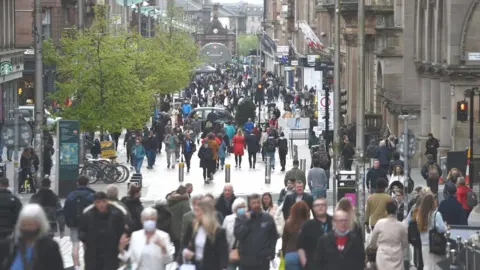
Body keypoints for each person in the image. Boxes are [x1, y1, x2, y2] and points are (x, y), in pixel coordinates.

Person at [0, 204, 64, 269]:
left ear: (40, 225)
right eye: (24, 224)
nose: (27, 228)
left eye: (31, 224)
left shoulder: (50, 247)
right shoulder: (7, 245)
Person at [80, 192, 127, 270]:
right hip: (93, 253)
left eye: (104, 202)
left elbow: (122, 231)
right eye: (98, 202)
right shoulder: (88, 214)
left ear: (107, 201)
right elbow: (82, 230)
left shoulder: (116, 213)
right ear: (94, 203)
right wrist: (86, 239)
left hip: (110, 253)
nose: (101, 205)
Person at [182, 199, 229, 270]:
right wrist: (186, 251)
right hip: (195, 266)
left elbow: (223, 254)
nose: (195, 213)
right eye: (195, 210)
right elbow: (184, 243)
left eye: (197, 211)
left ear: (205, 213)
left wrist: (223, 268)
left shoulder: (219, 232)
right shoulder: (193, 227)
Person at [235, 193, 278, 270]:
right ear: (249, 205)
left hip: (263, 261)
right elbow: (238, 235)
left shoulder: (267, 218)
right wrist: (246, 221)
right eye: (253, 203)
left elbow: (274, 237)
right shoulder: (242, 218)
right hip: (246, 262)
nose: (256, 205)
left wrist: (271, 253)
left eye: (258, 202)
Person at [407, 192, 447, 269]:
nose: (436, 203)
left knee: (427, 264)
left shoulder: (419, 215)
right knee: (436, 265)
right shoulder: (436, 214)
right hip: (435, 244)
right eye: (435, 201)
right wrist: (446, 227)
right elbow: (441, 229)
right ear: (432, 203)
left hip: (424, 244)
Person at [63, 175, 95, 269]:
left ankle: (76, 266)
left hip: (74, 224)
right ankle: (87, 265)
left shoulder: (71, 195)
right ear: (88, 183)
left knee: (75, 245)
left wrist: (68, 222)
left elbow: (66, 210)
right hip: (88, 225)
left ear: (77, 183)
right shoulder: (92, 195)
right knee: (87, 245)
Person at [369, 200, 408, 270]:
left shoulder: (380, 223)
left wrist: (376, 246)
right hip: (397, 253)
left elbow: (373, 240)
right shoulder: (401, 226)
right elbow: (405, 243)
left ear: (386, 211)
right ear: (396, 211)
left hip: (382, 252)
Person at [297, 198, 333, 270]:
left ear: (326, 207)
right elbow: (300, 247)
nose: (320, 207)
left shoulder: (335, 222)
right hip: (313, 265)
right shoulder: (307, 225)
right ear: (313, 208)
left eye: (322, 205)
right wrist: (305, 265)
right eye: (317, 205)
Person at [282, 201, 310, 270]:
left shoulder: (288, 223)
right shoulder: (309, 224)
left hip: (290, 254)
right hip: (305, 255)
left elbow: (284, 240)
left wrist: (284, 253)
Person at [166, 185, 191, 258]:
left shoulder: (170, 200)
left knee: (177, 247)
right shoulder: (184, 202)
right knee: (181, 249)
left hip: (172, 228)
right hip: (180, 229)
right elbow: (188, 216)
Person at [222, 198, 246, 270]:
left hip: (244, 254)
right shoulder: (228, 219)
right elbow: (223, 236)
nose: (242, 209)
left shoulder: (248, 219)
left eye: (243, 207)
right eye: (239, 207)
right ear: (235, 208)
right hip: (231, 252)